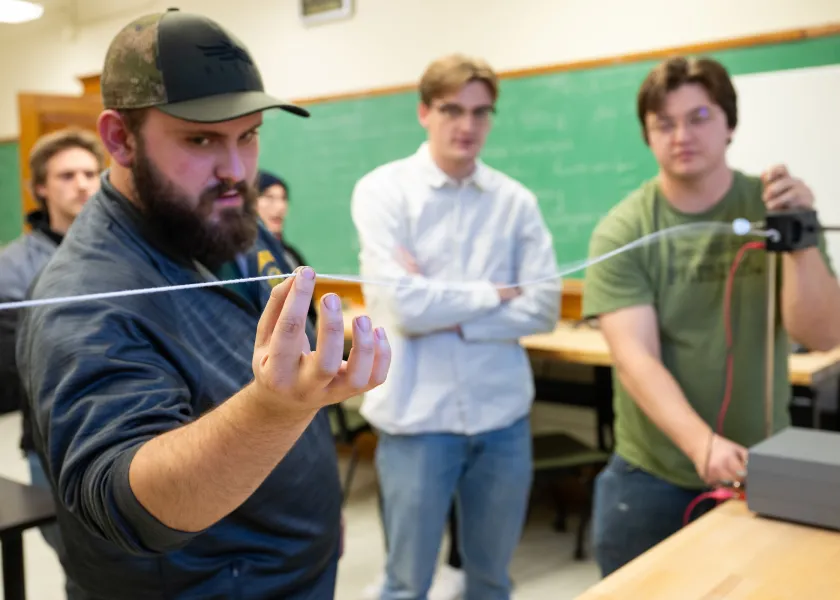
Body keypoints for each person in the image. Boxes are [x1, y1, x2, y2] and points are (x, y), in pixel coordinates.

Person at [15, 8, 390, 599]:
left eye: (249, 135)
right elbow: (125, 500)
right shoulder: (82, 297)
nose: (236, 169)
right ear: (119, 138)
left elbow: (277, 360)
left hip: (295, 565)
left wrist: (315, 507)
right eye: (200, 139)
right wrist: (275, 411)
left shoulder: (224, 217)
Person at [582, 55, 840, 578]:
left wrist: (800, 241)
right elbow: (635, 359)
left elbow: (822, 334)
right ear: (648, 136)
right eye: (664, 123)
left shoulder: (776, 209)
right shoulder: (624, 229)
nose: (682, 135)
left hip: (768, 462)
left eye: (698, 117)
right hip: (653, 473)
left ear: (729, 124)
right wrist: (702, 445)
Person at [350, 53, 561, 600]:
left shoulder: (516, 203)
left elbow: (543, 309)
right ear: (424, 111)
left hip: (502, 418)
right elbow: (405, 311)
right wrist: (492, 293)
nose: (467, 126)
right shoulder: (383, 192)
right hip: (417, 420)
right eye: (452, 110)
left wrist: (444, 308)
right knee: (405, 584)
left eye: (481, 112)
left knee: (491, 581)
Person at [0, 126, 105, 597]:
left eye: (90, 173)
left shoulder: (125, 253)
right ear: (40, 186)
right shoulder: (12, 268)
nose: (82, 184)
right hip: (54, 441)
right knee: (84, 567)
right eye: (67, 175)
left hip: (141, 431)